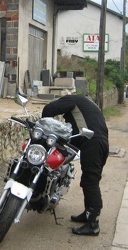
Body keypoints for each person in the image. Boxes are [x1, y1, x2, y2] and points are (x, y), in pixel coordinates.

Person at [42, 94, 109, 236]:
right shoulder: (88, 107)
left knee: (90, 182)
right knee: (88, 181)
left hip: (93, 143)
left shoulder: (73, 100)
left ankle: (93, 225)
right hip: (100, 143)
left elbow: (49, 109)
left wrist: (45, 127)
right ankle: (88, 214)